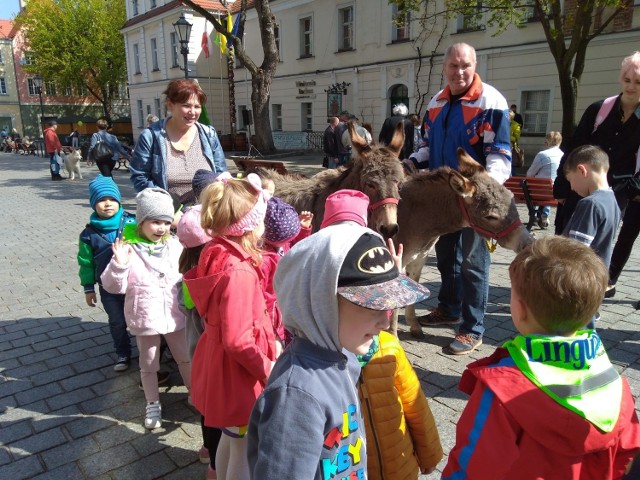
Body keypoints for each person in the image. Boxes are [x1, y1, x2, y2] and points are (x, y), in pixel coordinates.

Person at [442, 236, 640, 479]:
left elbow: (472, 467)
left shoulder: (500, 390)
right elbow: (626, 459)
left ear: (520, 309)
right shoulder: (616, 385)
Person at [247, 225, 430, 479]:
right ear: (321, 303)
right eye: (371, 306)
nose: (385, 323)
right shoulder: (297, 395)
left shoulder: (344, 357)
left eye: (387, 307)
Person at [183, 172, 277, 480]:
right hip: (238, 378)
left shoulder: (215, 250)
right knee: (243, 447)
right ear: (250, 226)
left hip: (218, 366)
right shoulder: (238, 273)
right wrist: (268, 368)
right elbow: (238, 340)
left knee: (229, 438)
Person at [419, 42, 511, 355]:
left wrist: (484, 189)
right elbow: (426, 148)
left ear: (474, 66)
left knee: (475, 263)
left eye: (465, 66)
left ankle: (473, 328)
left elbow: (500, 156)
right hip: (444, 201)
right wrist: (408, 164)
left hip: (475, 201)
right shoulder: (436, 102)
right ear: (444, 67)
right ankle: (449, 307)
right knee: (446, 258)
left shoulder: (491, 101)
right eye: (454, 66)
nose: (459, 72)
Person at [100, 187, 191, 430]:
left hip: (175, 314)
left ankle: (196, 393)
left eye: (165, 222)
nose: (160, 228)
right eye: (154, 222)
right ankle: (152, 402)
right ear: (141, 222)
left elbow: (186, 273)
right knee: (149, 363)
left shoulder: (175, 245)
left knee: (185, 358)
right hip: (145, 317)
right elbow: (112, 286)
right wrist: (119, 265)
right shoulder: (127, 248)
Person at [553, 51, 640, 235]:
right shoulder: (599, 109)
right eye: (627, 79)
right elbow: (573, 148)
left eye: (638, 82)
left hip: (615, 194)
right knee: (564, 243)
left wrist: (630, 190)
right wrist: (561, 184)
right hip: (579, 187)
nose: (631, 86)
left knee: (598, 246)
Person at [357, 331, 443, 479]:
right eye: (370, 310)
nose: (385, 323)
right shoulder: (317, 365)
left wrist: (429, 454)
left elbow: (415, 404)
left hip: (401, 467)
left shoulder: (388, 345)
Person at [129, 79, 227, 207]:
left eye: (197, 106)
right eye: (186, 106)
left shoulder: (209, 134)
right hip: (167, 217)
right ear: (170, 105)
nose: (192, 112)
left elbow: (222, 175)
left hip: (206, 216)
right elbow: (139, 177)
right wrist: (170, 209)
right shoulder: (151, 136)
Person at [175, 205, 220, 480]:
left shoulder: (186, 274)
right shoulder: (204, 278)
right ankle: (215, 463)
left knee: (205, 408)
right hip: (211, 356)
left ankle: (207, 449)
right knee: (214, 411)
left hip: (197, 358)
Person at [77, 176, 136, 372]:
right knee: (117, 321)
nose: (108, 203)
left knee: (142, 316)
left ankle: (155, 349)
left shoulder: (132, 222)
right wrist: (88, 288)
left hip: (134, 282)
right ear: (94, 204)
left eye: (112, 198)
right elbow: (86, 263)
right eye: (102, 200)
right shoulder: (88, 234)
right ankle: (123, 353)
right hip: (108, 287)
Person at [260, 197, 313, 345]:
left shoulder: (281, 242)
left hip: (287, 308)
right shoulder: (264, 260)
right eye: (288, 238)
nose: (290, 240)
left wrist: (302, 229)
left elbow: (294, 247)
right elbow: (264, 299)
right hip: (274, 320)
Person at [562, 145, 620, 270]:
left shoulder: (590, 204)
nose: (571, 187)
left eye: (570, 180)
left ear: (582, 170)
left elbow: (575, 250)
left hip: (580, 278)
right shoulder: (612, 200)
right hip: (597, 277)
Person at [526, 131, 563, 228]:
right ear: (560, 142)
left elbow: (530, 174)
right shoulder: (563, 155)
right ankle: (544, 215)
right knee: (549, 188)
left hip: (539, 191)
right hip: (556, 191)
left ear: (547, 141)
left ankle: (533, 215)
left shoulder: (542, 155)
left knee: (532, 186)